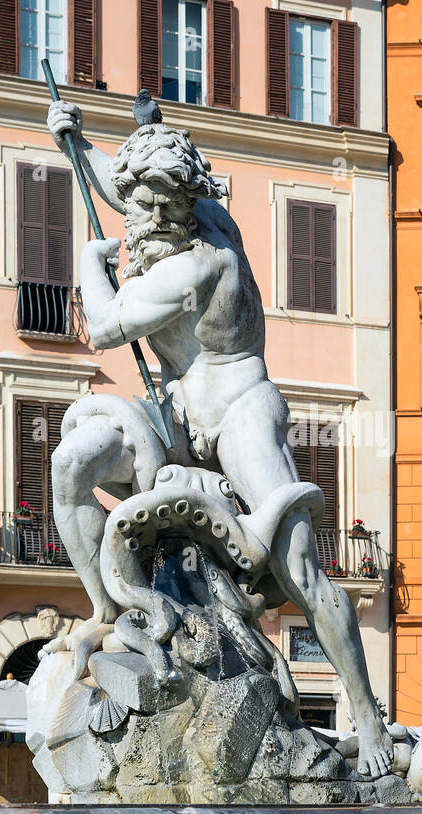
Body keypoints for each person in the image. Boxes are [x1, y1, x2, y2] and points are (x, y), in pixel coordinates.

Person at [43, 100, 393, 777]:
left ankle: (369, 714)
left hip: (238, 411)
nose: (132, 214)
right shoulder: (163, 215)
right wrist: (77, 145)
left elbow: (108, 325)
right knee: (70, 461)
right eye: (132, 201)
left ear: (176, 204)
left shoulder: (197, 262)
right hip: (173, 416)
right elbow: (122, 180)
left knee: (299, 568)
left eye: (145, 205)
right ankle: (101, 607)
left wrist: (90, 254)